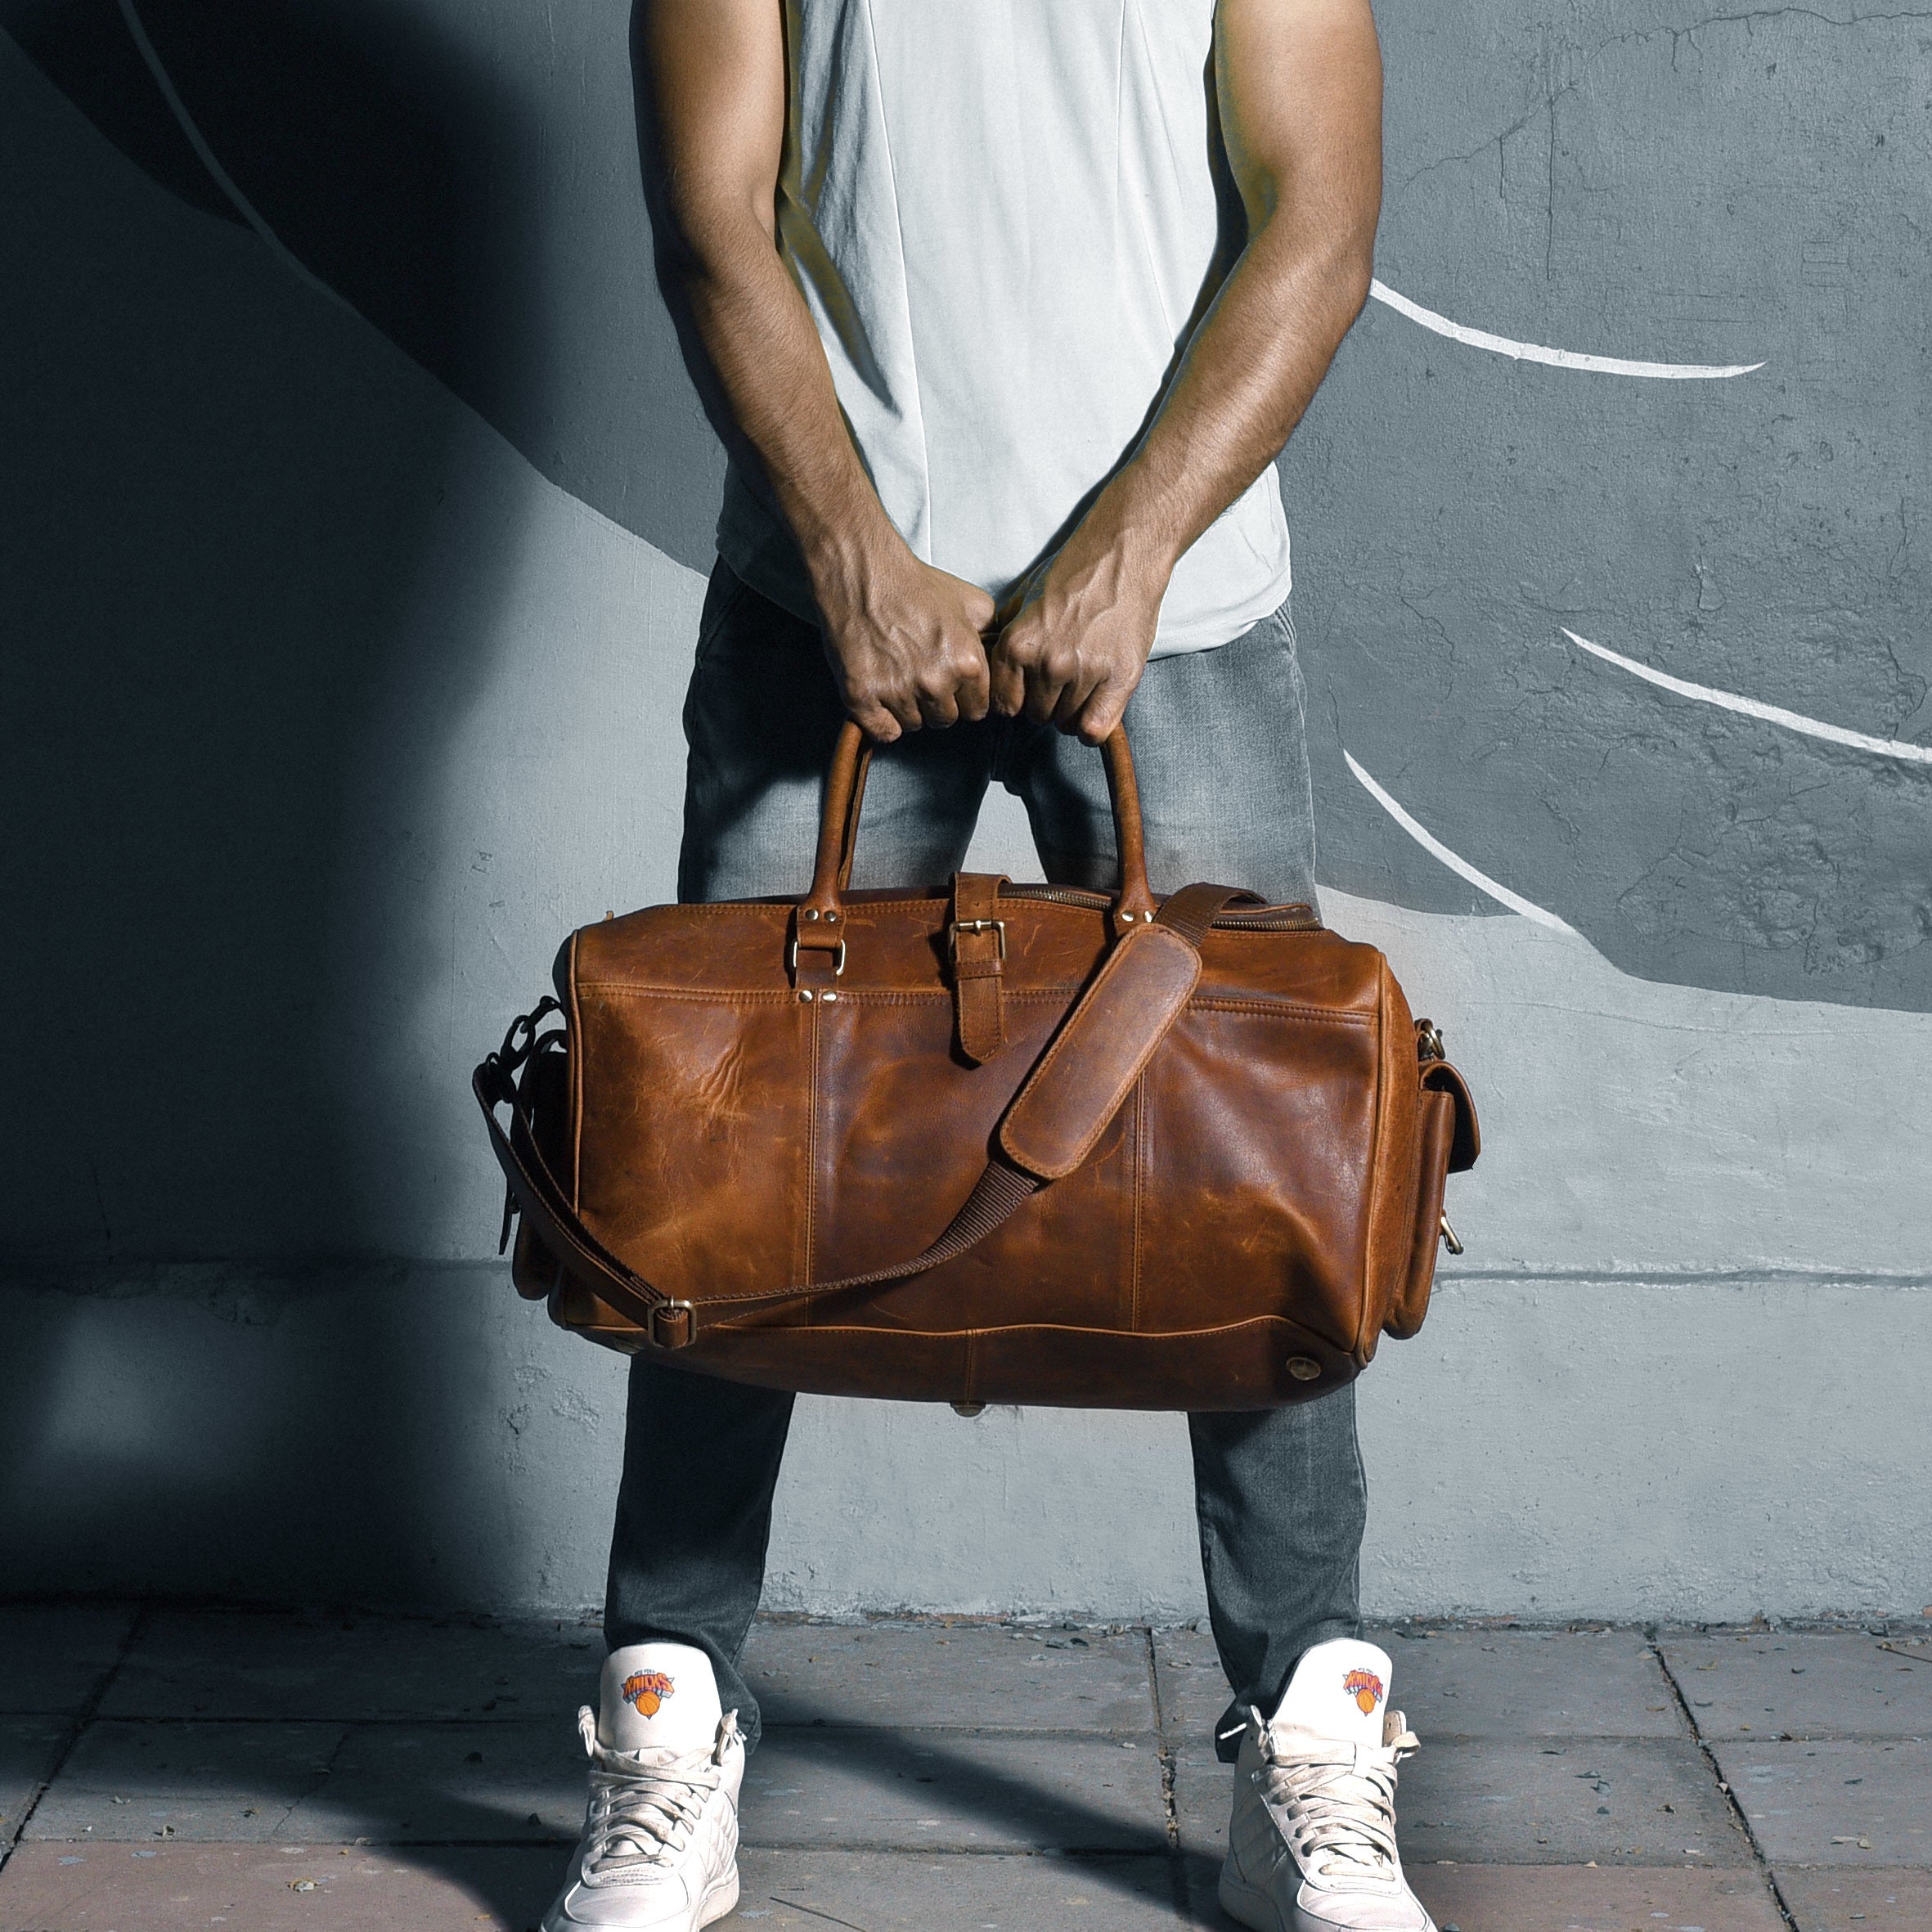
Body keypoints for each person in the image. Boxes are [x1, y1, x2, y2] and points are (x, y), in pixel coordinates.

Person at [542, 2, 1434, 1929]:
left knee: (1261, 1176)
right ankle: (666, 1718)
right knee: (718, 1175)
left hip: (1175, 609)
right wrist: (852, 551)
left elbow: (1318, 217)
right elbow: (714, 211)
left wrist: (1127, 549)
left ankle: (1309, 1734)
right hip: (831, 594)